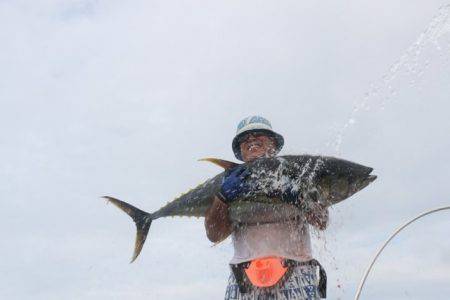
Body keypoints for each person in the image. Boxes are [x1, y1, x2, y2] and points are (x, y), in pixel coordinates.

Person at [205, 116, 329, 300]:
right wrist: (222, 198)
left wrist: (299, 198)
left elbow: (321, 221)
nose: (251, 140)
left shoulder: (297, 173)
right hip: (244, 281)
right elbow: (213, 234)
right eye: (244, 138)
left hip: (297, 274)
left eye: (259, 135)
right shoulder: (229, 183)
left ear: (273, 144)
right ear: (240, 150)